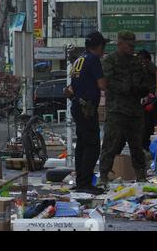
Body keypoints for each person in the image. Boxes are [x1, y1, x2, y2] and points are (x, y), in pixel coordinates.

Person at [98, 31, 155, 186]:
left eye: (133, 45)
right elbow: (106, 83)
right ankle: (103, 176)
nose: (132, 48)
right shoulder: (110, 61)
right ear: (120, 43)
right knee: (110, 144)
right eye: (129, 45)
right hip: (116, 110)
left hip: (135, 110)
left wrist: (142, 89)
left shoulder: (137, 62)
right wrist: (127, 88)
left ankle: (141, 176)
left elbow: (146, 85)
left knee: (137, 146)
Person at [66, 31, 108, 195]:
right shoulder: (93, 60)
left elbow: (72, 86)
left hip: (77, 105)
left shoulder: (80, 59)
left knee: (82, 146)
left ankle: (80, 182)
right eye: (103, 47)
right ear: (98, 46)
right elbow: (102, 84)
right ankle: (85, 183)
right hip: (87, 108)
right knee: (92, 146)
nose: (103, 51)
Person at [139, 50, 157, 151]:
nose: (140, 61)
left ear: (147, 59)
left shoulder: (148, 65)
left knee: (153, 125)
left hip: (155, 99)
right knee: (148, 125)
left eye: (142, 59)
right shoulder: (141, 69)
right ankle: (148, 147)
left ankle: (152, 148)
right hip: (150, 98)